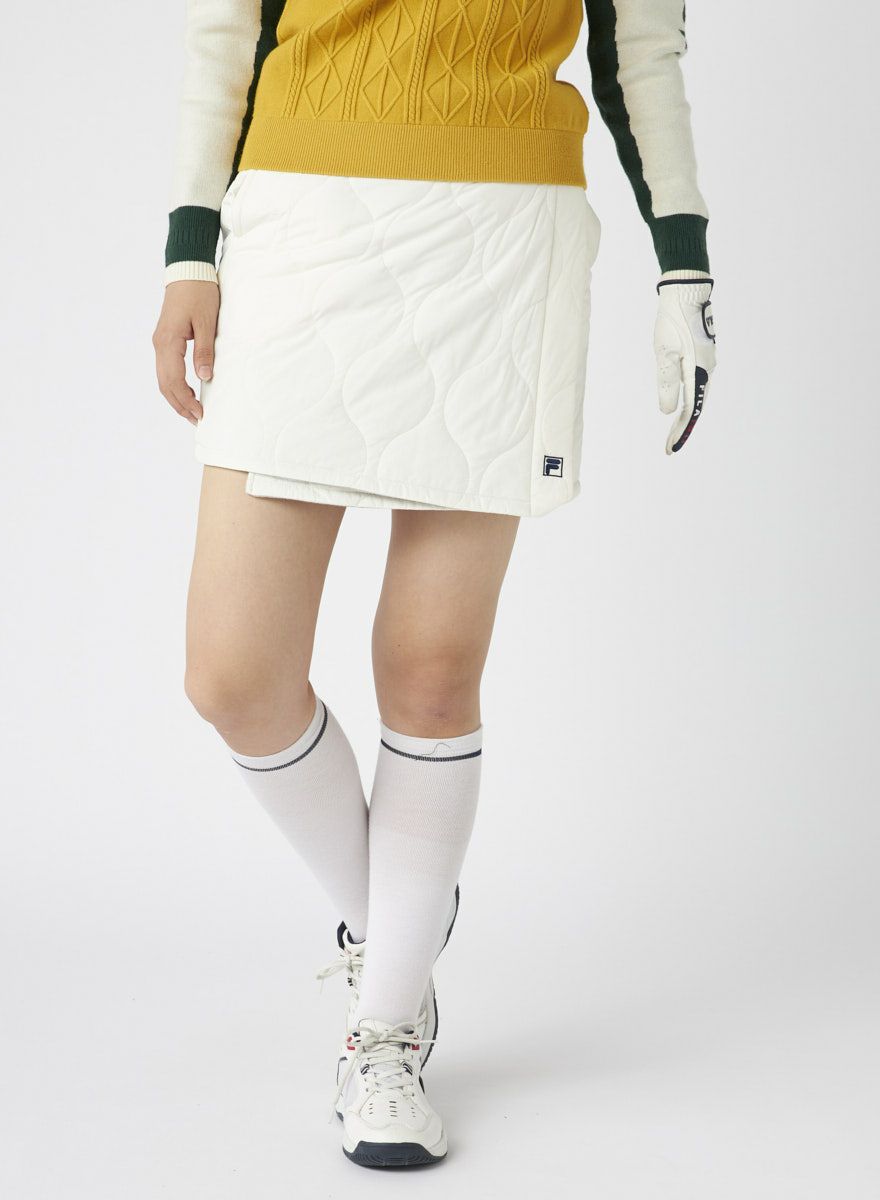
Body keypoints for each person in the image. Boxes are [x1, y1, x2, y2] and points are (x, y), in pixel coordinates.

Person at [151, 0, 717, 1168]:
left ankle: (386, 1026)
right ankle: (400, 907)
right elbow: (227, 27)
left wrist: (683, 265)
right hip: (303, 223)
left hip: (501, 240)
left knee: (430, 668)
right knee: (233, 676)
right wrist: (191, 246)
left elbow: (638, 48)